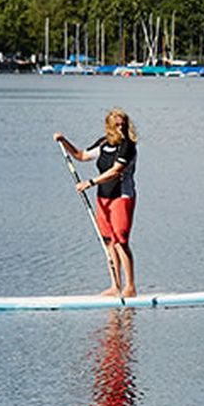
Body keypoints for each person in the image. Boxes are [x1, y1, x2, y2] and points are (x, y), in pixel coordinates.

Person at [54, 108, 138, 297]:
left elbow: (116, 171)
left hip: (122, 197)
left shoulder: (128, 146)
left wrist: (90, 182)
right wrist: (63, 141)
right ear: (109, 125)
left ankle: (130, 287)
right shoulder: (103, 143)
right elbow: (81, 155)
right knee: (108, 241)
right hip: (103, 197)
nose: (121, 128)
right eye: (117, 125)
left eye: (123, 125)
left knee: (120, 241)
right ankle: (115, 286)